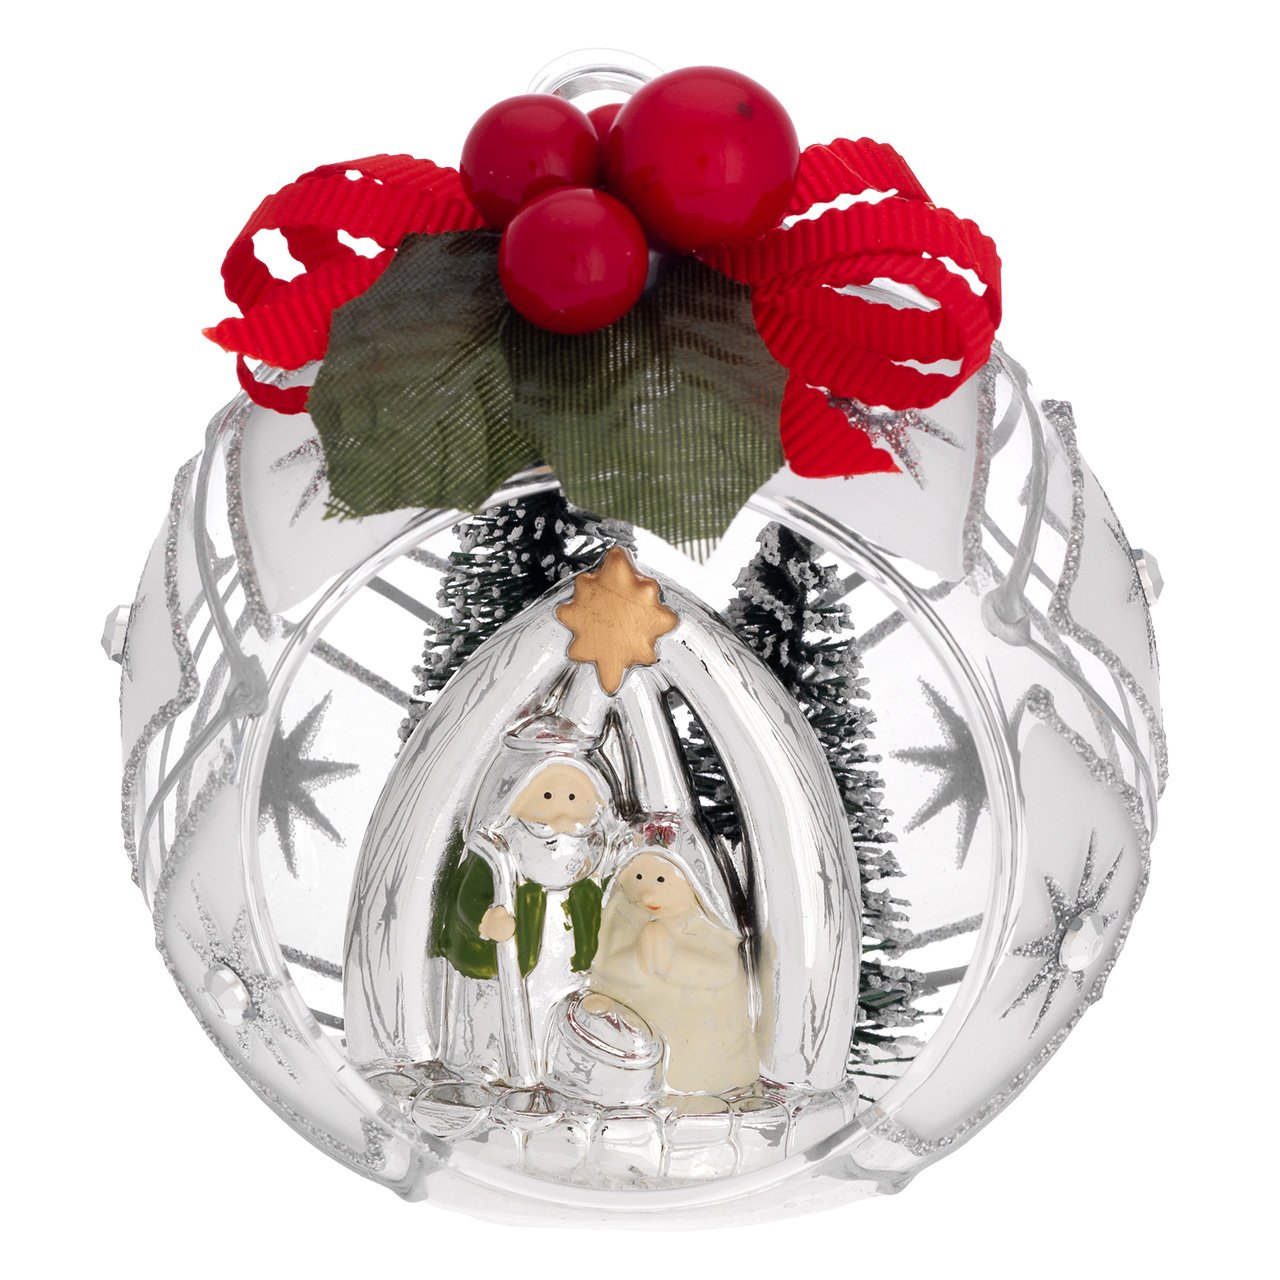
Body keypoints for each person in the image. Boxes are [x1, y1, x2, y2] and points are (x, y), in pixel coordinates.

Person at [430, 718, 622, 1082]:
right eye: (547, 797)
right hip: (504, 964)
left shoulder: (593, 850)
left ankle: (551, 1063)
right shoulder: (496, 851)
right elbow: (468, 896)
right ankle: (489, 1062)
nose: (561, 814)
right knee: (493, 1013)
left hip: (566, 965)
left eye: (573, 798)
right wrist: (485, 919)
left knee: (556, 1014)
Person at [588, 849, 759, 1095]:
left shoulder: (707, 924)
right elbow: (608, 967)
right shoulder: (622, 913)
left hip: (702, 1045)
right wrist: (640, 958)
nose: (647, 894)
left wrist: (670, 959)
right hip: (638, 1044)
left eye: (661, 880)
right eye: (638, 877)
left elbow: (722, 970)